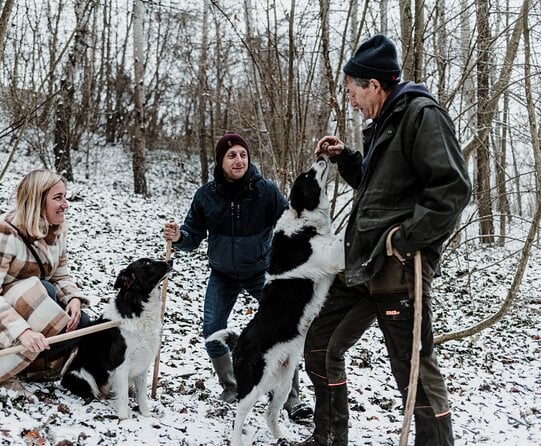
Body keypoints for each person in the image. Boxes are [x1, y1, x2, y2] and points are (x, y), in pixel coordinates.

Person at [293, 35, 471, 446]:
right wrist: (346, 159)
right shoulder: (384, 124)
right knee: (319, 344)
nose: (351, 101)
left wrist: (405, 241)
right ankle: (329, 437)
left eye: (353, 90)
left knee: (413, 370)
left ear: (374, 84)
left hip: (398, 270)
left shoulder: (421, 115)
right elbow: (379, 192)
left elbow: (452, 190)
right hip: (361, 266)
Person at [163, 131, 313, 421]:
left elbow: (287, 225)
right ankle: (232, 386)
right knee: (212, 326)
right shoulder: (206, 196)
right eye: (231, 155)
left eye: (243, 154)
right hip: (223, 275)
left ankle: (291, 398)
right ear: (221, 161)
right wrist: (180, 236)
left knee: (282, 328)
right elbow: (192, 237)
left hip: (261, 272)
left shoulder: (265, 190)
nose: (239, 159)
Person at [0, 169, 90, 387]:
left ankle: (30, 363)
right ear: (36, 200)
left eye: (65, 197)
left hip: (25, 301)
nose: (65, 204)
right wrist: (22, 332)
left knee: (81, 323)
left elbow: (61, 274)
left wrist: (73, 299)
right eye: (58, 198)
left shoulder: (55, 231)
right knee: (43, 291)